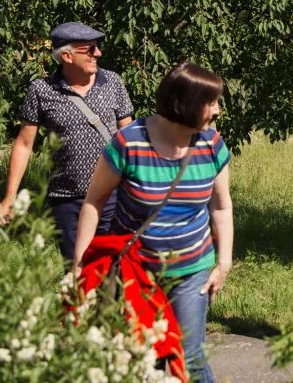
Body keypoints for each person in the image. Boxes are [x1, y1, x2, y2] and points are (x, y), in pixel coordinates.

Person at [73, 62, 233, 383]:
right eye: (211, 102)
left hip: (192, 271)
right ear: (186, 104)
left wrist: (224, 262)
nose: (217, 110)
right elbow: (94, 202)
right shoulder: (129, 143)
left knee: (189, 357)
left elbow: (221, 206)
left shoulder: (211, 144)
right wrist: (81, 264)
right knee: (142, 357)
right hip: (137, 273)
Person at [3, 22, 134, 260]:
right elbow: (24, 144)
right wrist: (10, 196)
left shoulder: (113, 82)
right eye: (90, 49)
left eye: (97, 47)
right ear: (67, 56)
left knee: (114, 267)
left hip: (113, 195)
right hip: (67, 199)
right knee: (76, 269)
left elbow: (129, 134)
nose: (98, 53)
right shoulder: (41, 90)